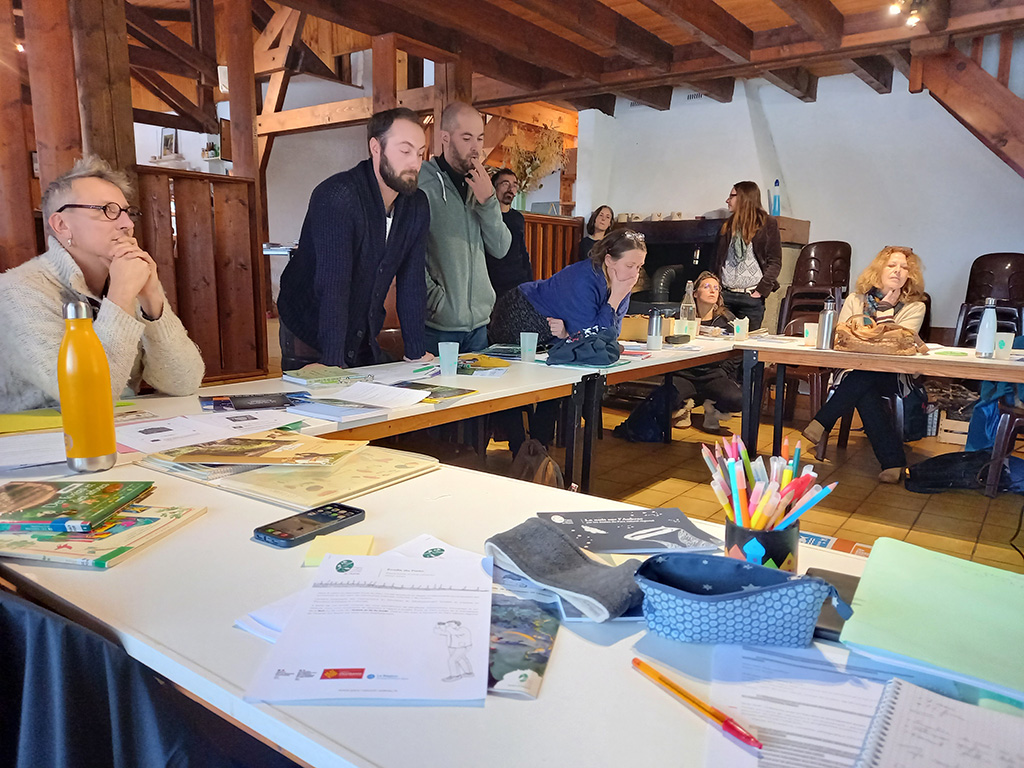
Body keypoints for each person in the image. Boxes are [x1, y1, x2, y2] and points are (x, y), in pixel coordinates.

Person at [0, 156, 204, 413]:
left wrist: (152, 299)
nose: (127, 225)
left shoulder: (123, 277)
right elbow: (87, 397)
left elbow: (183, 382)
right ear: (61, 225)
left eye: (128, 213)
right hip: (38, 440)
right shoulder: (17, 291)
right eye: (107, 210)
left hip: (123, 428)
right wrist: (121, 296)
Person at [277, 107, 433, 370]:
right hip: (309, 330)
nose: (415, 163)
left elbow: (412, 280)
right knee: (320, 405)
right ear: (376, 147)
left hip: (359, 330)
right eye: (405, 151)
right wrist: (332, 364)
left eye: (420, 153)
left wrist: (416, 354)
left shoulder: (416, 205)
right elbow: (333, 286)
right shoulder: (338, 197)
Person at [802, 246, 927, 483]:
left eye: (904, 268)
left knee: (866, 375)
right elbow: (845, 337)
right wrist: (873, 339)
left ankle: (822, 421)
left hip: (894, 374)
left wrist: (885, 311)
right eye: (892, 265)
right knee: (865, 383)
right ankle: (892, 462)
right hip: (853, 369)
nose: (898, 271)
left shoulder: (915, 306)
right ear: (879, 268)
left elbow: (899, 342)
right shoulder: (855, 299)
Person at [419, 102, 511, 354]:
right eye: (467, 137)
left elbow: (501, 248)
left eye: (480, 138)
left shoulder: (480, 183)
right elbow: (408, 252)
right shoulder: (422, 182)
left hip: (480, 326)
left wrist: (488, 201)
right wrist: (435, 301)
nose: (476, 148)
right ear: (445, 138)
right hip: (437, 327)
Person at [490, 229, 646, 347]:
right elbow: (594, 340)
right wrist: (615, 298)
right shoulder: (583, 279)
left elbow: (611, 336)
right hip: (523, 311)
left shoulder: (622, 281)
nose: (635, 274)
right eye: (630, 265)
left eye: (639, 267)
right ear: (609, 260)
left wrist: (618, 296)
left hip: (554, 330)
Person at [671, 271, 743, 432]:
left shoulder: (726, 320)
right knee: (664, 398)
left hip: (713, 375)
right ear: (694, 293)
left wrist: (723, 371)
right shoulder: (680, 316)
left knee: (738, 399)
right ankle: (686, 406)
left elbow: (739, 351)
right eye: (707, 287)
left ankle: (712, 408)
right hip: (685, 374)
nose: (712, 291)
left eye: (716, 288)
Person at [713, 181, 782, 330]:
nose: (727, 200)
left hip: (750, 298)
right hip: (726, 297)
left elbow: (775, 261)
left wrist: (760, 291)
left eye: (732, 196)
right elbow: (717, 260)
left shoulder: (767, 223)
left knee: (747, 347)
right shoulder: (727, 225)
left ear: (745, 198)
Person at [484, 168, 533, 302]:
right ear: (494, 187)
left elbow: (522, 250)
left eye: (514, 185)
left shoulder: (517, 217)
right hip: (493, 284)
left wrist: (530, 280)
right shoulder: (486, 216)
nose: (510, 189)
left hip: (518, 281)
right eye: (505, 184)